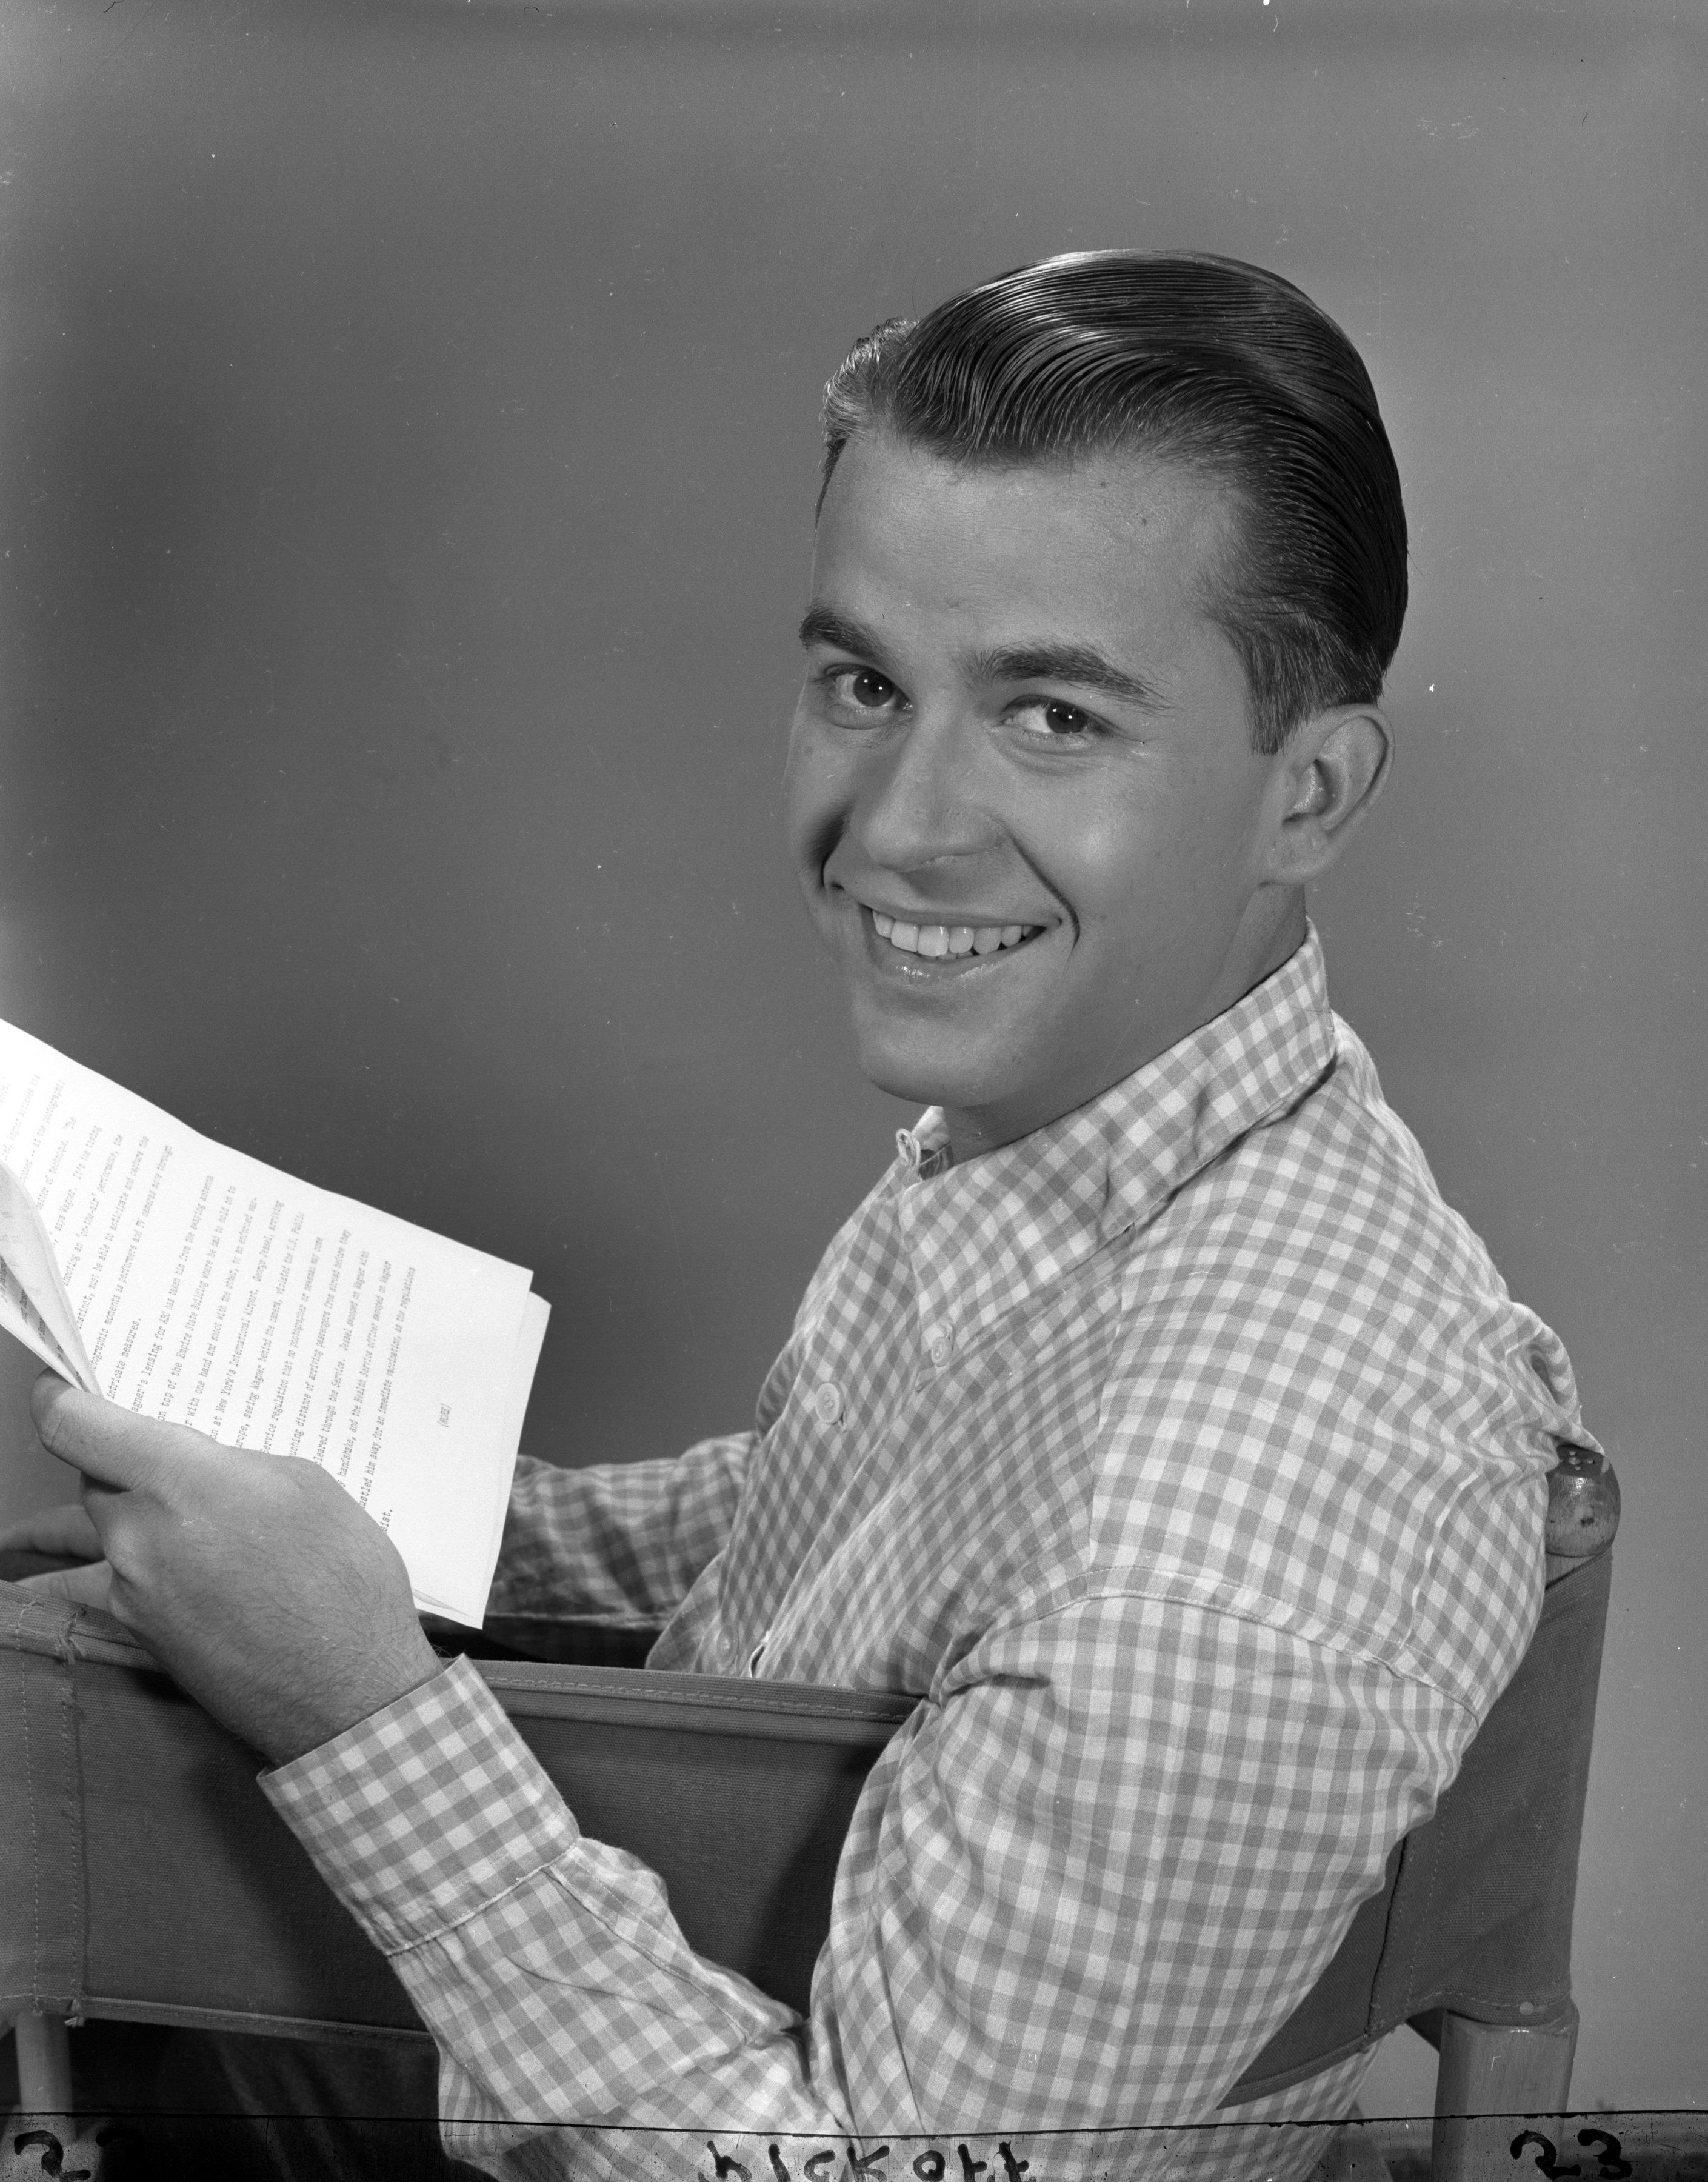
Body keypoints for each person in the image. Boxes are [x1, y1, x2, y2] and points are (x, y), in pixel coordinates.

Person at [1, 252, 1598, 2180]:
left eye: (1053, 720)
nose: (899, 827)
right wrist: (361, 1540)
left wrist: (352, 1698)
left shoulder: (1204, 1577)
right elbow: (833, 1515)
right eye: (862, 685)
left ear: (1309, 793)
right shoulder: (1102, 1137)